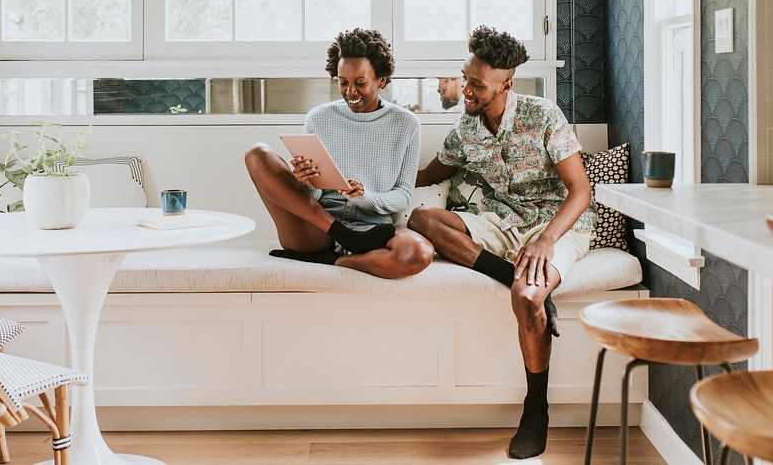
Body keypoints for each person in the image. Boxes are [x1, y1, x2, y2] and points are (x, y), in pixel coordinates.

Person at [407, 26, 596, 459]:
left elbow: (580, 191)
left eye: (477, 84)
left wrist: (547, 241)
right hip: (501, 220)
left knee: (528, 298)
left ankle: (536, 410)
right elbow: (430, 175)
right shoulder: (467, 127)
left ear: (506, 85)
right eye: (464, 78)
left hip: (557, 224)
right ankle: (505, 271)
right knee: (421, 219)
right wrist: (365, 180)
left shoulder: (543, 114)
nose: (466, 90)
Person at [244, 28, 433, 279]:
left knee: (418, 253)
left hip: (372, 231)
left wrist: (365, 196)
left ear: (382, 80)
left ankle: (335, 261)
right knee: (257, 154)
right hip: (317, 228)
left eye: (360, 83)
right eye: (343, 83)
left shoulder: (406, 124)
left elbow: (403, 194)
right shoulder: (319, 118)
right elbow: (312, 195)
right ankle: (343, 237)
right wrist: (307, 182)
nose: (350, 92)